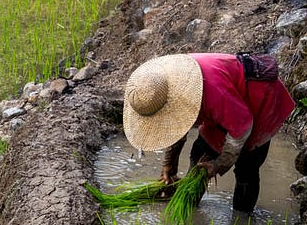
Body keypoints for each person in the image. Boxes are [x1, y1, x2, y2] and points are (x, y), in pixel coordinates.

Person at [122, 52, 296, 214]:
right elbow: (175, 125)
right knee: (200, 154)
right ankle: (188, 204)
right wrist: (169, 165)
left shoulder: (213, 92)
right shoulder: (164, 87)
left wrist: (218, 165)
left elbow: (242, 127)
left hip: (260, 99)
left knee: (246, 167)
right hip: (227, 102)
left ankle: (242, 220)